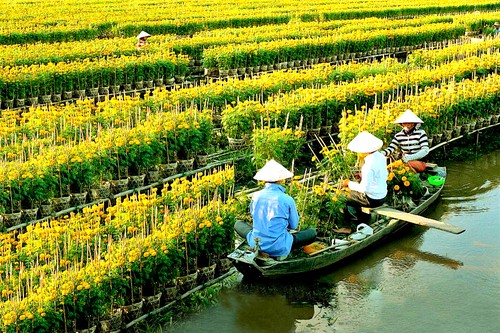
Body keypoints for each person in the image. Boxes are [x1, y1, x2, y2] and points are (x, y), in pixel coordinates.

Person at [234, 159, 316, 260]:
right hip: (278, 246)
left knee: (238, 224)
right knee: (312, 233)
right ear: (281, 180)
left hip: (257, 242)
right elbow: (294, 225)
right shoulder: (287, 200)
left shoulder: (255, 196)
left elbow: (254, 216)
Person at [336, 131, 388, 234]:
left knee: (341, 197)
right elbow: (382, 175)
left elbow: (363, 188)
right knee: (353, 196)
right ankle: (363, 219)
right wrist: (362, 176)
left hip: (372, 199)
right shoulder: (381, 156)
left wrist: (348, 183)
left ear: (365, 151)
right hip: (383, 195)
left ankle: (348, 226)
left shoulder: (368, 166)